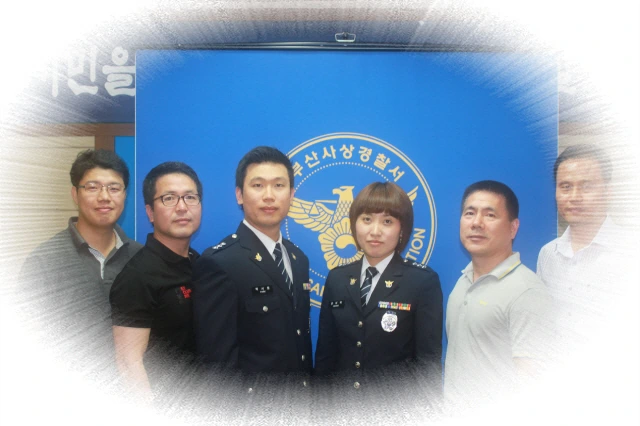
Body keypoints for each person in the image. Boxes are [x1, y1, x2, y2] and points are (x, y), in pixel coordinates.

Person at [192, 146, 312, 392]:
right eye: (258, 185)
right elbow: (217, 365)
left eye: (279, 185)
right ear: (239, 194)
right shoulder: (220, 263)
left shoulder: (298, 259)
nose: (269, 196)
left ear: (292, 194)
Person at [314, 182, 443, 404]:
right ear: (354, 225)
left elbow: (427, 365)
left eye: (387, 221)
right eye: (366, 219)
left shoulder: (422, 281)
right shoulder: (337, 278)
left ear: (402, 229)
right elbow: (325, 356)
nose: (375, 231)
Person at [19, 149, 142, 381]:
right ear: (75, 194)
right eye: (93, 187)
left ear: (125, 195)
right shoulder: (44, 261)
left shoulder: (141, 258)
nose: (104, 197)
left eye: (114, 188)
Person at [444, 180, 552, 409]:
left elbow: (532, 386)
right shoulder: (462, 282)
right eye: (469, 213)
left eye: (490, 215)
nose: (476, 223)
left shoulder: (527, 292)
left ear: (513, 228)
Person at [109, 162, 202, 401]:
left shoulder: (199, 263)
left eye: (190, 197)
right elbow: (129, 362)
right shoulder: (137, 277)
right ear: (150, 212)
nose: (182, 207)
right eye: (169, 198)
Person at [537, 145, 630, 353]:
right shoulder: (548, 254)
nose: (574, 197)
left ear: (608, 192)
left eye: (586, 187)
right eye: (565, 187)